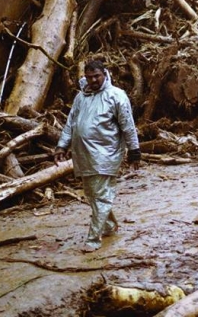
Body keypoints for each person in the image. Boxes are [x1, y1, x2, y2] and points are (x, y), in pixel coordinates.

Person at [54, 59, 141, 252]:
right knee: (93, 195)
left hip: (106, 155)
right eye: (89, 77)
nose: (93, 80)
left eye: (97, 76)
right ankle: (109, 226)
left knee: (100, 195)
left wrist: (134, 152)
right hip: (83, 155)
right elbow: (70, 123)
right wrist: (61, 146)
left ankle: (93, 239)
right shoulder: (80, 97)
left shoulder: (116, 96)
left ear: (105, 74)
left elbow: (128, 125)